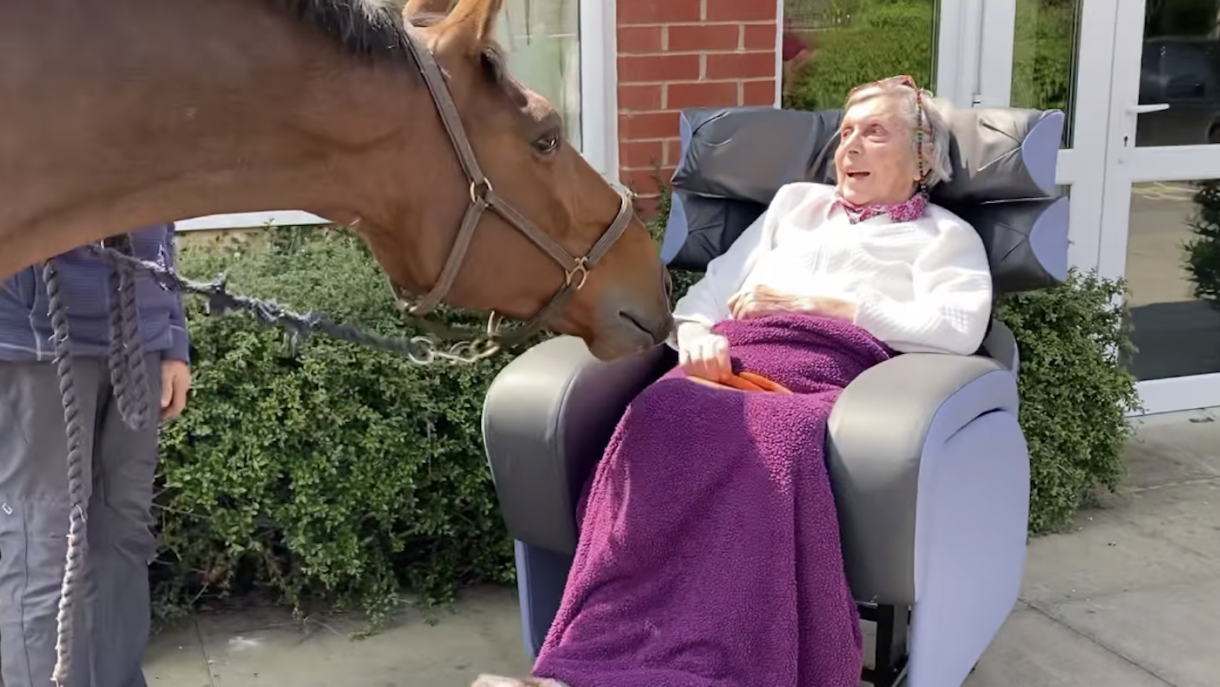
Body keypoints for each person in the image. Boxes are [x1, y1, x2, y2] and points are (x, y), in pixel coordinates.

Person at [473, 76, 992, 687]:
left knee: (773, 440)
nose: (849, 147)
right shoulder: (795, 207)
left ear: (922, 156)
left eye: (874, 133)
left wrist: (828, 306)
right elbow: (705, 297)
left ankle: (722, 669)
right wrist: (693, 335)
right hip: (733, 359)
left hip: (824, 378)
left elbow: (958, 328)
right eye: (845, 132)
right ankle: (597, 660)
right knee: (657, 413)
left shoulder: (942, 238)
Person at [0, 224, 192, 687]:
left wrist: (172, 334)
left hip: (138, 339)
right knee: (45, 548)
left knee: (122, 539)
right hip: (33, 344)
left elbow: (161, 209)